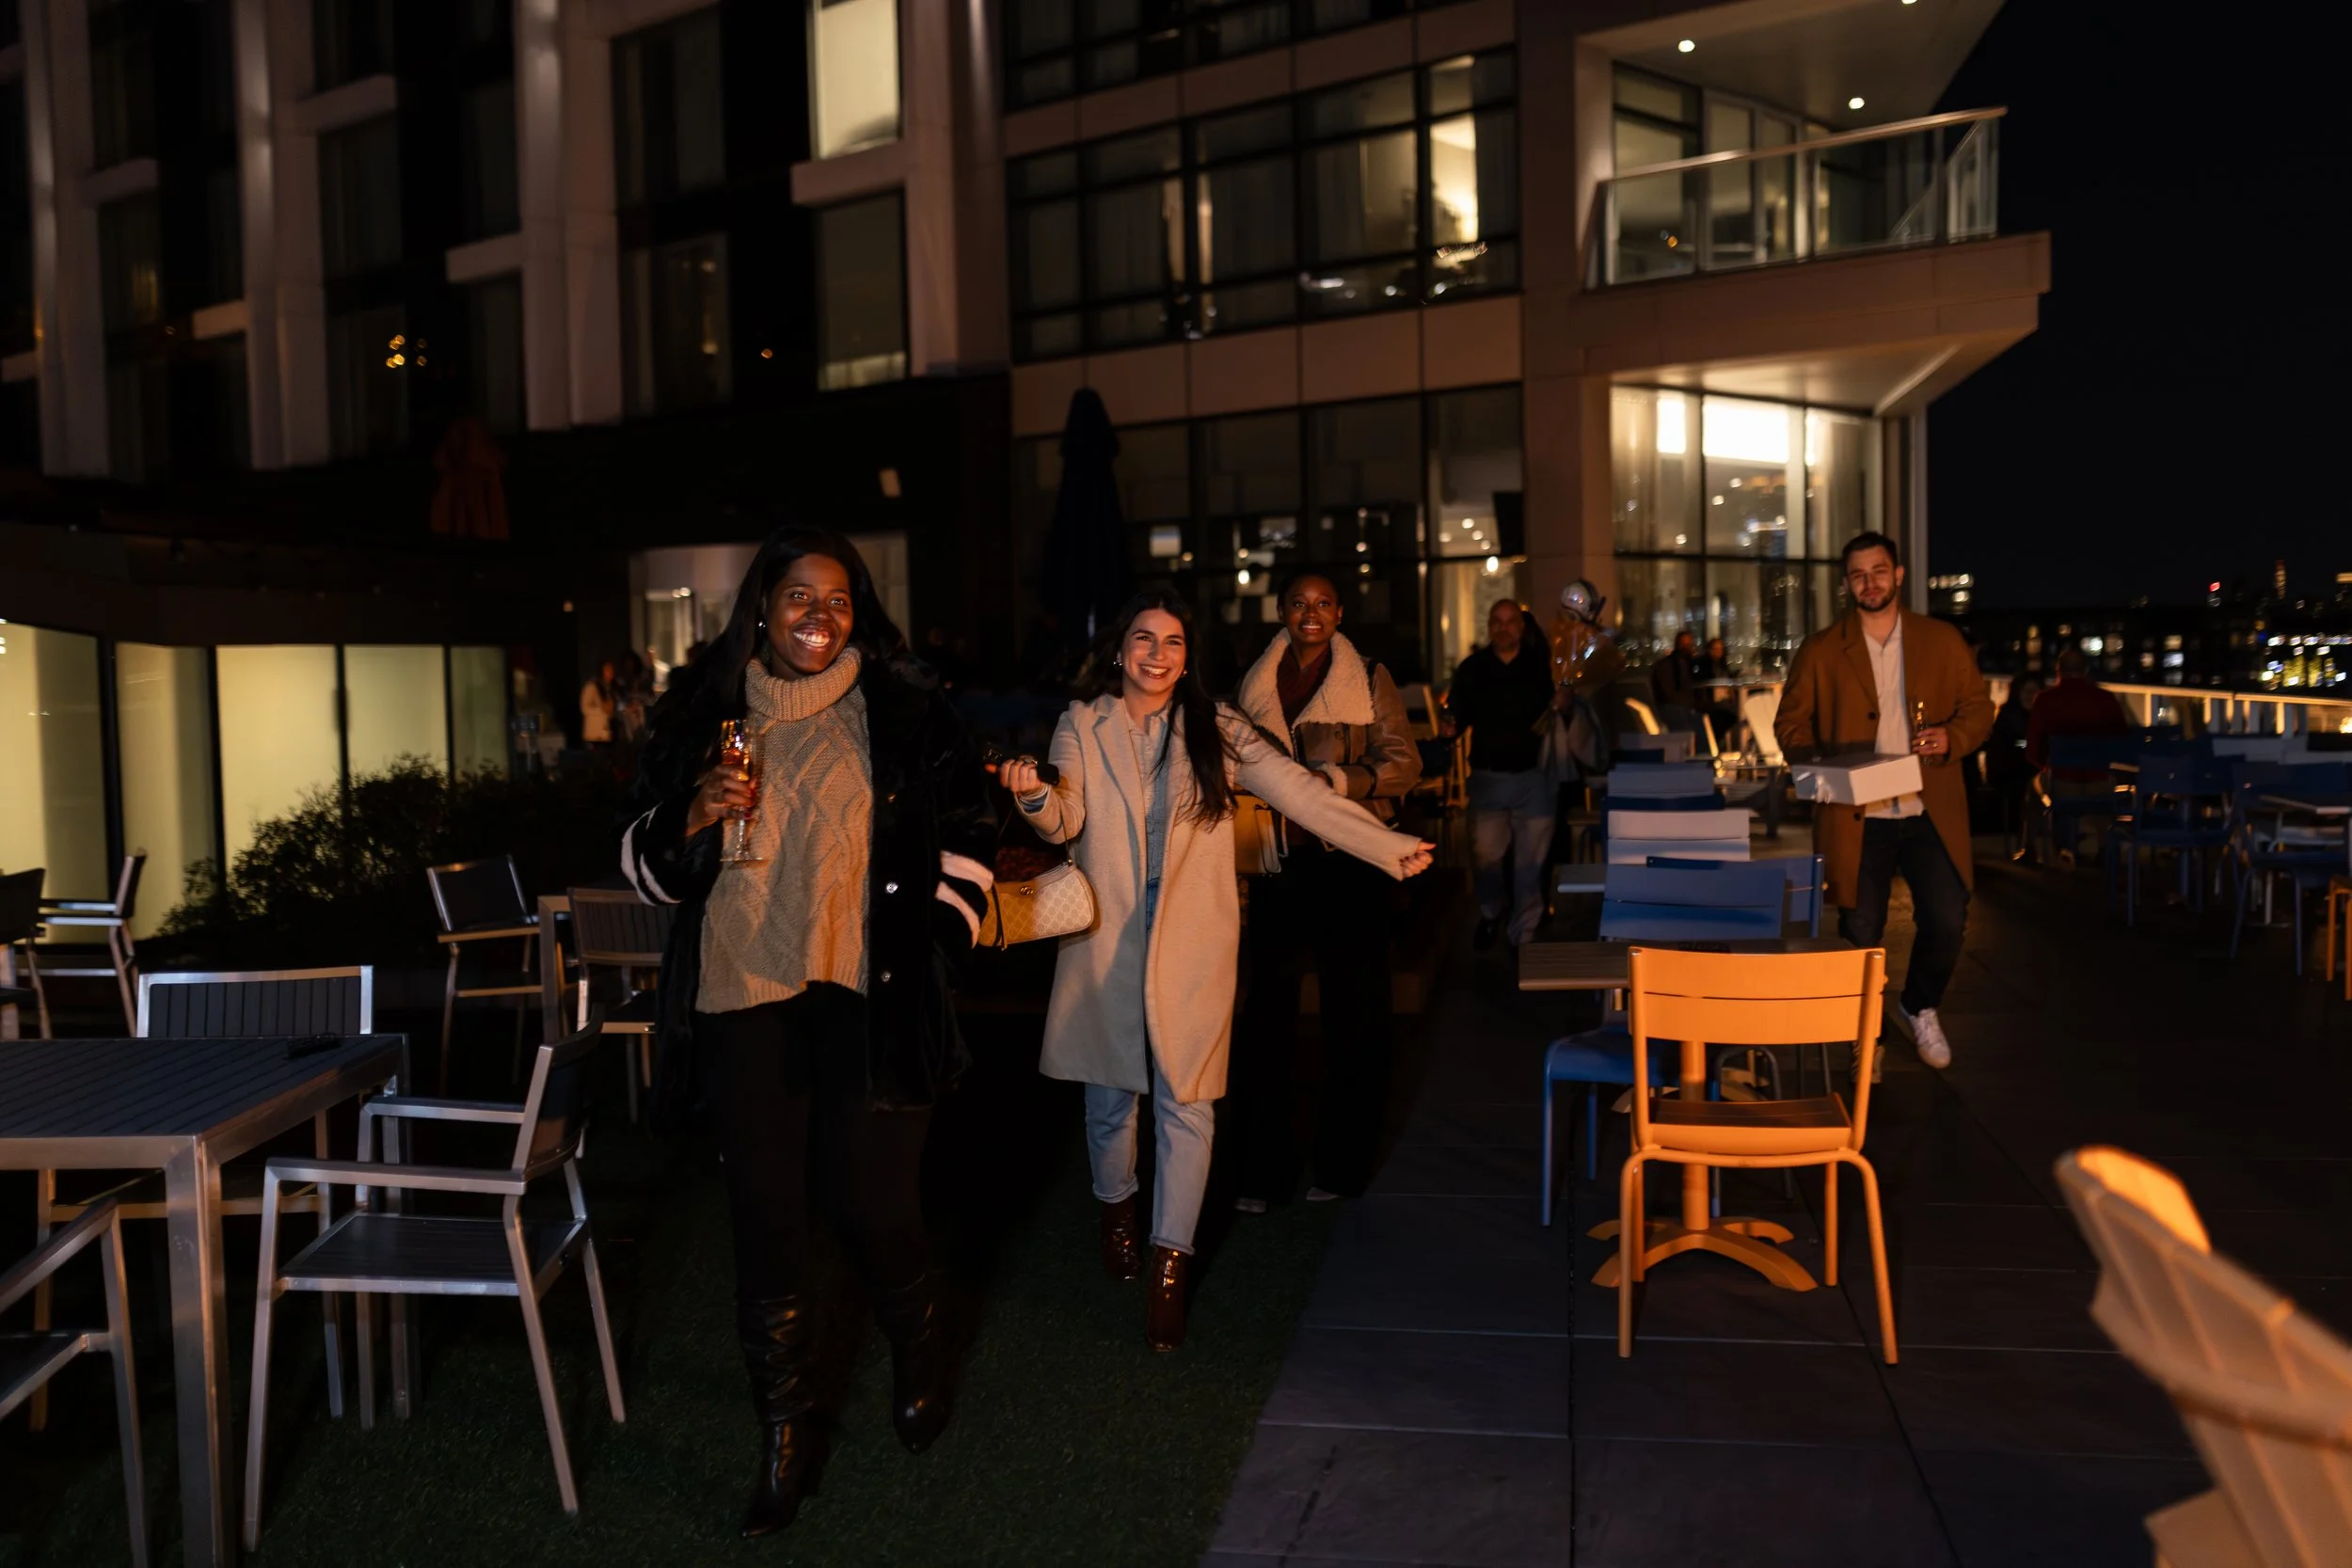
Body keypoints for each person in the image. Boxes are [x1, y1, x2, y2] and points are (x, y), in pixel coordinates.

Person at [620, 525, 997, 1537]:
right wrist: (689, 813)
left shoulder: (911, 714)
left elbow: (971, 837)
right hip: (744, 994)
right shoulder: (705, 713)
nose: (817, 616)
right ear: (762, 605)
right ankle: (785, 1435)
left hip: (869, 993)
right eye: (797, 596)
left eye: (835, 599)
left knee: (875, 1202)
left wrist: (940, 945)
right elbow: (641, 861)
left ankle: (917, 1346)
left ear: (856, 610)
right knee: (766, 1217)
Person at [996, 591, 1431, 1352]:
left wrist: (1383, 847)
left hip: (1195, 941)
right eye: (1143, 638)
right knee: (1109, 1102)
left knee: (1188, 1103)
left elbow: (1298, 789)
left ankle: (1170, 1268)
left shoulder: (1220, 727)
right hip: (1108, 942)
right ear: (1122, 649)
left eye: (1171, 641)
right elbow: (1064, 820)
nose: (1157, 653)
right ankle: (1117, 1205)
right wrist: (1034, 792)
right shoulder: (1083, 723)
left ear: (1188, 657)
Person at [1228, 573, 1423, 1212]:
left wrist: (1335, 779)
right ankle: (1264, 1170)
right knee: (1265, 1021)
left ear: (1339, 613)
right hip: (1278, 862)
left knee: (1356, 1018)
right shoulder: (1255, 681)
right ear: (1283, 611)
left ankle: (1340, 1167)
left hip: (1351, 861)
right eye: (1298, 603)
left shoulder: (1368, 676)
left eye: (1322, 604)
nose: (1310, 614)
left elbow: (1406, 764)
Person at [1776, 531, 1993, 1069]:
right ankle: (1865, 1035)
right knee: (1859, 931)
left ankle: (1918, 1005)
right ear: (1846, 583)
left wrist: (1952, 738)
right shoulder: (1822, 649)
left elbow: (1979, 709)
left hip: (1927, 806)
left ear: (1898, 575)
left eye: (1878, 571)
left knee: (1947, 917)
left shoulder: (1942, 640)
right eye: (1857, 574)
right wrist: (1822, 770)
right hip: (1857, 814)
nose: (1869, 582)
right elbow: (1790, 723)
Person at [1443, 599, 1562, 949]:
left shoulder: (1543, 669)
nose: (1503, 627)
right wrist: (1450, 726)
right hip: (1488, 777)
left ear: (1521, 627)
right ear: (1489, 625)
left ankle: (1522, 934)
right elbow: (1458, 714)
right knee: (1486, 857)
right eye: (1497, 621)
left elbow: (1562, 717)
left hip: (1534, 777)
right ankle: (1491, 911)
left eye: (1510, 621)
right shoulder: (1473, 668)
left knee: (1530, 863)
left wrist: (1566, 704)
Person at [2026, 649, 2130, 857]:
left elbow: (2033, 749)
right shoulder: (2105, 699)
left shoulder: (2046, 700)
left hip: (2062, 782)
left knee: (2032, 790)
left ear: (2059, 671)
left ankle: (2036, 849)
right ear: (2086, 670)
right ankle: (2105, 849)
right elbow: (2122, 741)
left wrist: (2044, 765)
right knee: (2104, 795)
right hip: (2100, 783)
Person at [1649, 630, 1701, 724]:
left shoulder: (1690, 664)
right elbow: (1669, 694)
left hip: (1683, 708)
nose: (1686, 648)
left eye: (1688, 644)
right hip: (1673, 709)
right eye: (1684, 644)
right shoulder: (1666, 665)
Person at [580, 659, 616, 747]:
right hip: (594, 735)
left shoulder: (609, 689)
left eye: (611, 670)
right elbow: (584, 708)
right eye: (607, 670)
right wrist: (602, 709)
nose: (610, 673)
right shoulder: (591, 687)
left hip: (605, 734)